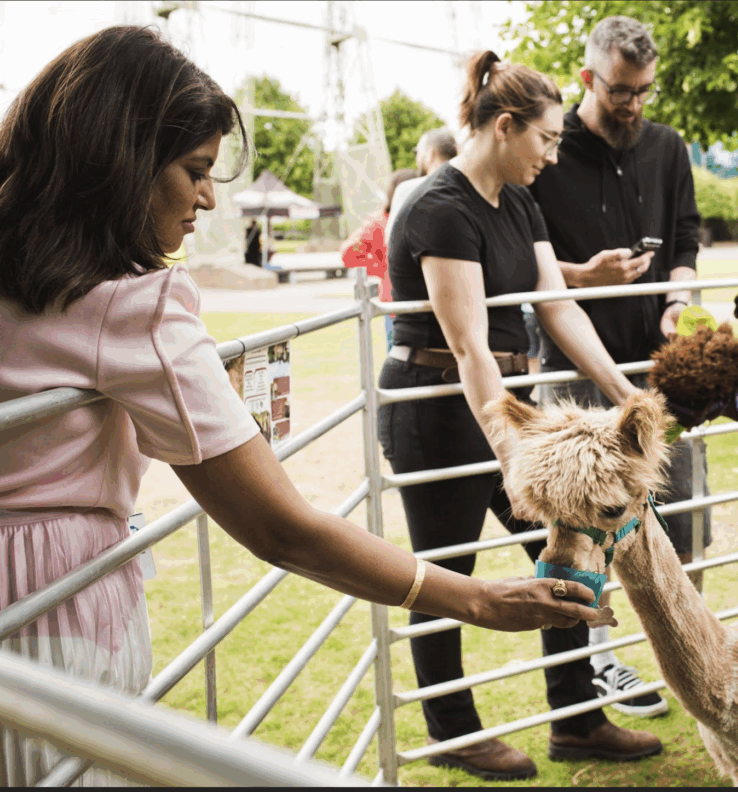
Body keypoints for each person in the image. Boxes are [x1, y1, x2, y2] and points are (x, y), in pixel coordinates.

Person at [0, 27, 602, 786]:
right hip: (56, 617)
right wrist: (477, 599)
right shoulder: (135, 308)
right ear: (121, 166)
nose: (209, 197)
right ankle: (457, 728)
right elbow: (281, 527)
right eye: (195, 171)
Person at [382, 50, 664, 781]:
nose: (554, 153)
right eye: (547, 138)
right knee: (446, 574)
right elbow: (469, 345)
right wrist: (513, 455)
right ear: (505, 126)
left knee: (570, 548)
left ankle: (576, 720)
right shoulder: (439, 207)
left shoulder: (520, 199)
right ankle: (455, 730)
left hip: (510, 406)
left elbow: (556, 305)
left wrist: (624, 392)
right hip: (439, 411)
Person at [526, 14, 706, 720]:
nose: (634, 104)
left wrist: (678, 297)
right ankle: (600, 665)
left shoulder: (667, 146)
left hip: (659, 366)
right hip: (574, 378)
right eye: (622, 91)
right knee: (590, 523)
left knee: (679, 512)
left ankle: (684, 648)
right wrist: (584, 276)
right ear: (587, 78)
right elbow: (527, 263)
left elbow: (687, 235)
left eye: (643, 92)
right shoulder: (547, 150)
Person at [342, 168, 418, 349]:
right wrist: (381, 267)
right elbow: (348, 254)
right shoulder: (381, 222)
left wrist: (380, 267)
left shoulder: (379, 222)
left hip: (395, 305)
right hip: (406, 305)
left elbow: (348, 253)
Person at [385, 127, 458, 247]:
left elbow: (391, 240)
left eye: (417, 152)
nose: (416, 157)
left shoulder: (407, 190)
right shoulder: (473, 187)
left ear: (430, 154)